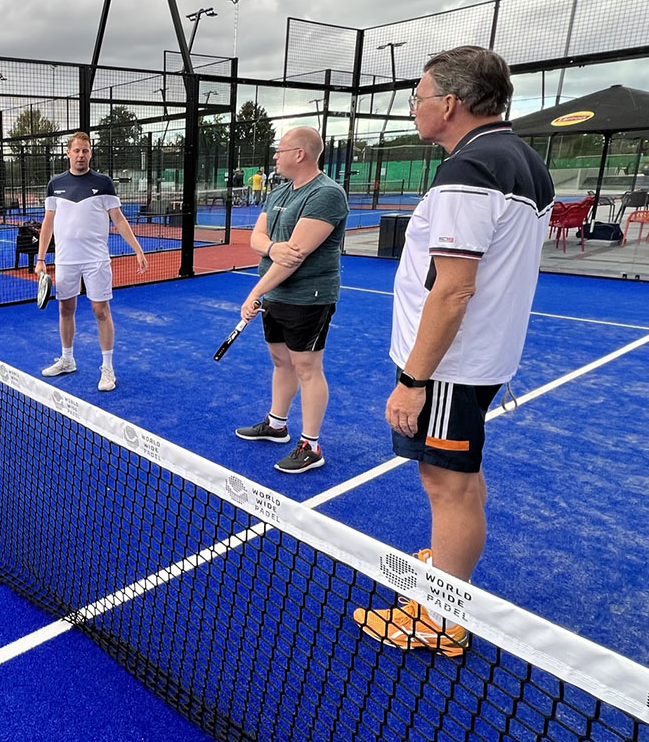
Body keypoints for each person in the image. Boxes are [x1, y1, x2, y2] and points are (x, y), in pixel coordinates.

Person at [352, 46, 553, 659]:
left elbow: (454, 288)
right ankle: (447, 569)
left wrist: (413, 380)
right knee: (459, 478)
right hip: (477, 359)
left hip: (451, 366)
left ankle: (441, 617)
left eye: (418, 97)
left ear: (449, 103)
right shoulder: (521, 158)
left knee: (446, 483)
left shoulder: (470, 169)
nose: (413, 108)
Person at [234, 127, 349, 473]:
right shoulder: (279, 192)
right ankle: (276, 425)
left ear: (300, 154)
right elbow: (256, 237)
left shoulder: (326, 194)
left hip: (308, 297)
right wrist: (271, 248)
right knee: (280, 360)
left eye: (280, 150)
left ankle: (311, 446)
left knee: (307, 368)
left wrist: (255, 291)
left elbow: (295, 256)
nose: (275, 156)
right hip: (277, 293)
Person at [34, 131, 149, 392]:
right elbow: (48, 222)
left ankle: (107, 368)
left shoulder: (104, 183)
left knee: (100, 310)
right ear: (68, 153)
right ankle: (67, 359)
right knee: (65, 309)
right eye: (76, 150)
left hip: (96, 259)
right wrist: (41, 259)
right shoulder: (55, 185)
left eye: (85, 150)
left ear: (90, 153)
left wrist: (138, 250)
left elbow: (118, 218)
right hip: (66, 259)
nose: (81, 155)